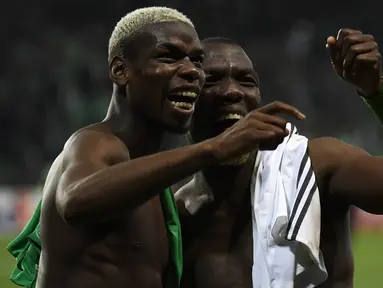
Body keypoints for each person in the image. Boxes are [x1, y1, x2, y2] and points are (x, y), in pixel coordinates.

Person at [7, 7, 305, 288]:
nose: (191, 72)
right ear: (121, 71)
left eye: (197, 60)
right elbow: (75, 201)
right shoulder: (95, 143)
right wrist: (214, 148)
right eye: (169, 57)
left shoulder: (155, 184)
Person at [176, 30, 383, 288]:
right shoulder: (175, 216)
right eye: (211, 80)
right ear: (183, 100)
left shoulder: (312, 165)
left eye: (247, 81)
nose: (232, 92)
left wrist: (377, 94)